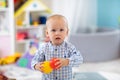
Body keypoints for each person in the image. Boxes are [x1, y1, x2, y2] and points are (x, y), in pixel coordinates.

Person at [31, 14, 83, 80]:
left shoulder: (70, 47)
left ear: (66, 32)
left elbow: (79, 59)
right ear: (47, 33)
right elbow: (34, 60)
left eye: (61, 30)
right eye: (53, 30)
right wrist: (36, 66)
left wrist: (67, 61)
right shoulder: (43, 48)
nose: (57, 33)